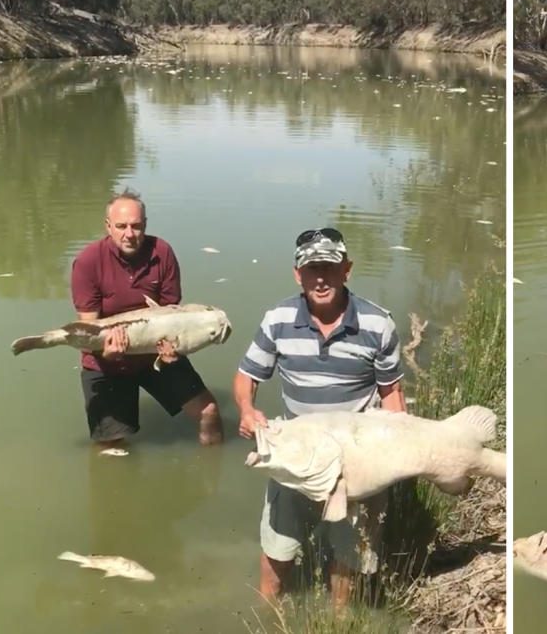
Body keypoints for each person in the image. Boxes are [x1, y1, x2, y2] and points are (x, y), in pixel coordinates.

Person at [233, 227, 405, 607]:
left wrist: (397, 460)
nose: (321, 278)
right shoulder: (277, 319)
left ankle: (338, 620)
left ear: (347, 269)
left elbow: (392, 396)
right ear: (298, 274)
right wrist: (247, 410)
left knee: (346, 561)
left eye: (330, 267)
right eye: (312, 269)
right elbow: (247, 376)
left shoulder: (378, 324)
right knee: (277, 554)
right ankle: (271, 619)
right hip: (295, 454)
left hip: (355, 461)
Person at [71, 190, 224, 447]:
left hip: (156, 354)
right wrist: (107, 353)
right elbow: (89, 332)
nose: (129, 234)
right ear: (108, 226)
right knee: (112, 445)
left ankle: (211, 478)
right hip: (106, 363)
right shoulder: (88, 261)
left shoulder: (161, 252)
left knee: (208, 412)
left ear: (145, 225)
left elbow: (173, 316)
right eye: (121, 226)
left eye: (136, 226)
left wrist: (173, 350)